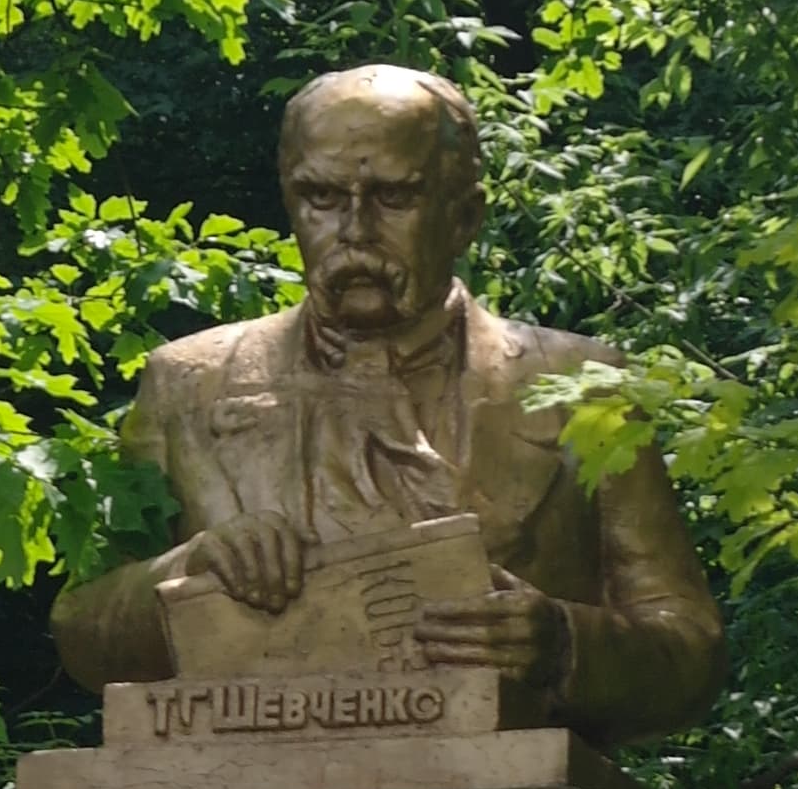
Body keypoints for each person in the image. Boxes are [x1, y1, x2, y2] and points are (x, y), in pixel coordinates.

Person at [48, 63, 725, 744]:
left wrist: (565, 645)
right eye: (320, 197)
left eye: (395, 198)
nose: (355, 229)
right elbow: (82, 628)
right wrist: (186, 570)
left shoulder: (584, 388)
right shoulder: (186, 385)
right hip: (239, 785)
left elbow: (690, 651)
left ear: (465, 216)